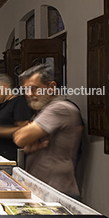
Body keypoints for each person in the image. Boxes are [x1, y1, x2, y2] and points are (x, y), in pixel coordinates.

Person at [13, 64, 83, 199]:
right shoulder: (44, 110)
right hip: (43, 188)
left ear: (51, 87)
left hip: (56, 190)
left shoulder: (59, 108)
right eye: (25, 89)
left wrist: (25, 137)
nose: (28, 94)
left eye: (34, 88)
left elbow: (20, 138)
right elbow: (26, 143)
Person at [0, 73, 33, 160]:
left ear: (6, 86)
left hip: (10, 158)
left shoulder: (19, 103)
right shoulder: (1, 106)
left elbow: (24, 129)